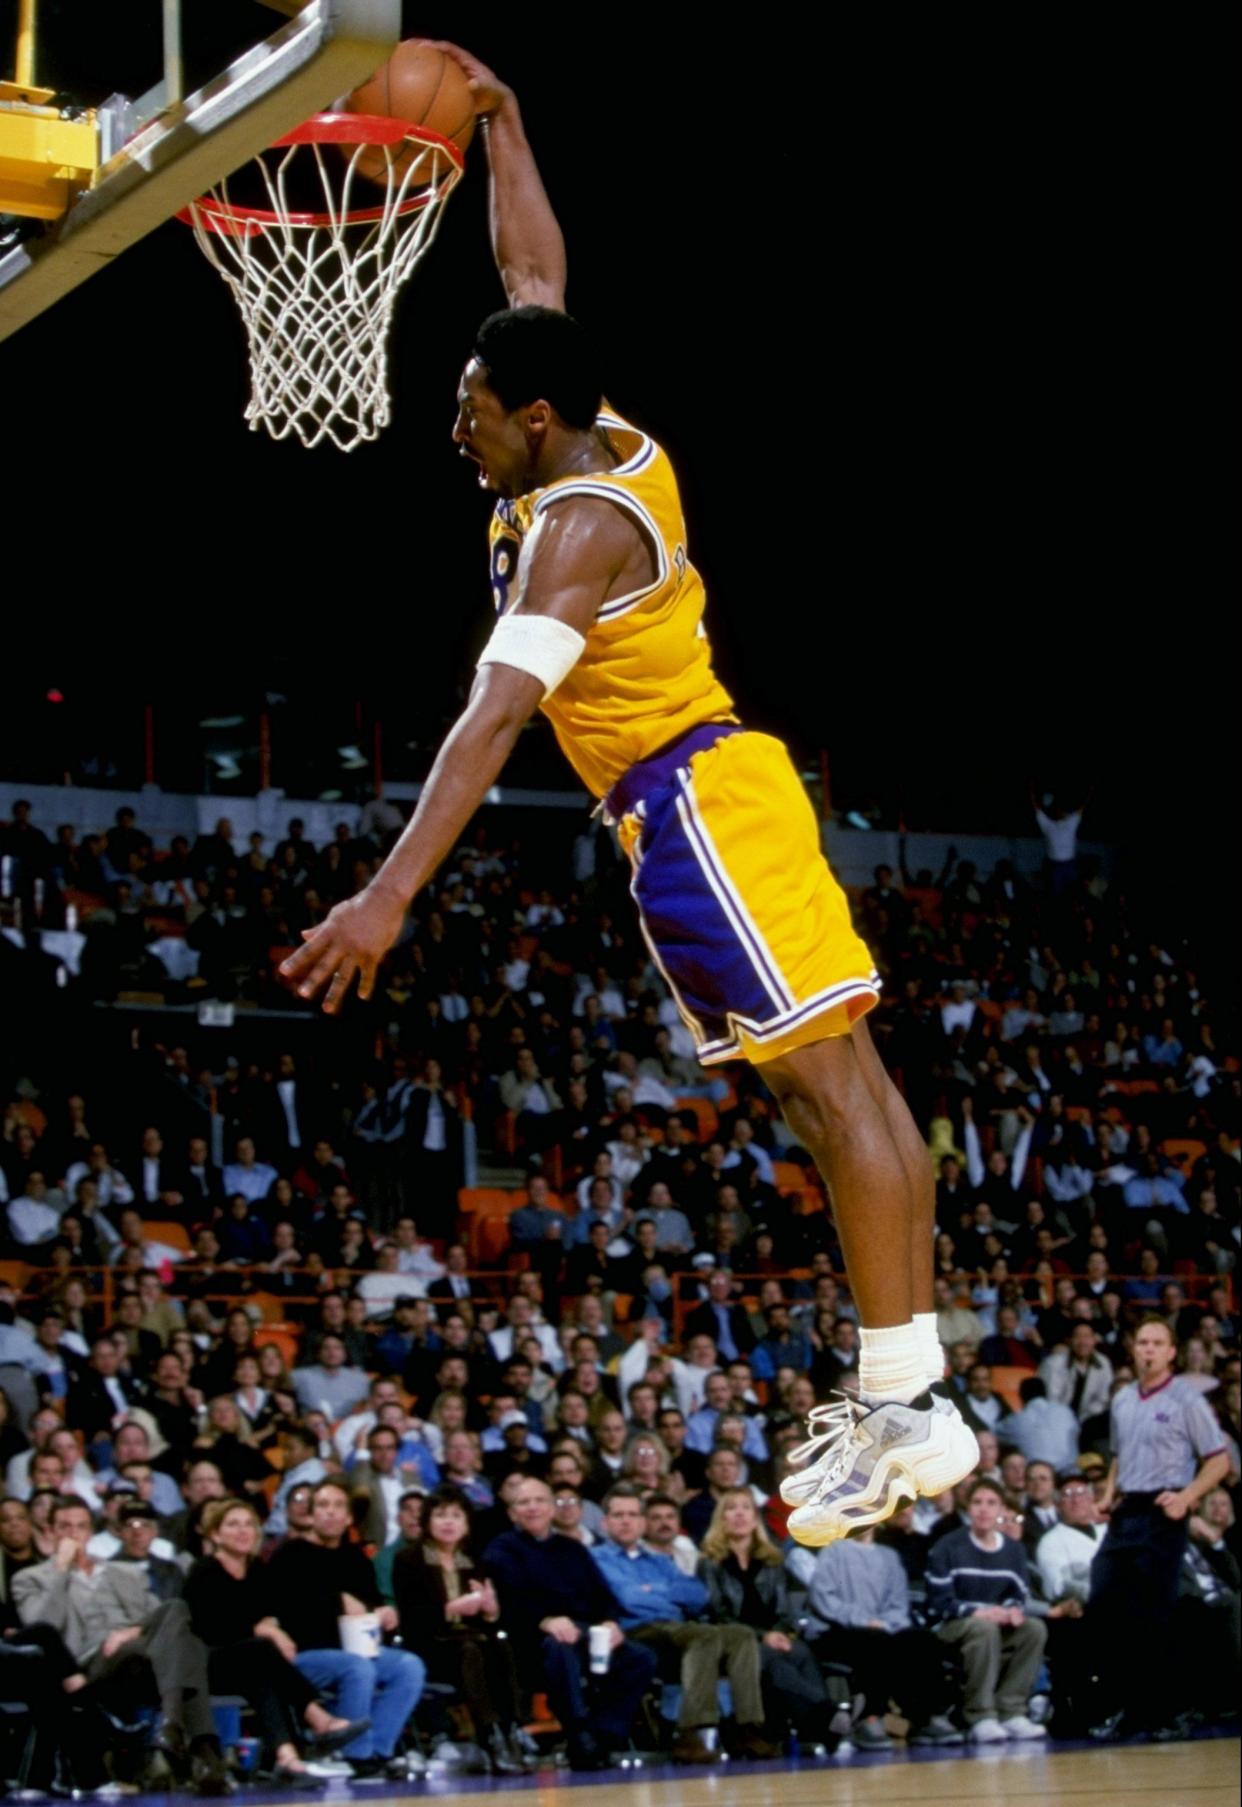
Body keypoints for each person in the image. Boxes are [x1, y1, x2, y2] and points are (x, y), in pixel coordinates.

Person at [278, 37, 977, 1548]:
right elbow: (534, 272)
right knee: (830, 1086)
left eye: (468, 403)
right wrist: (506, 119)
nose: (448, 418)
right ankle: (904, 1390)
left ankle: (906, 1411)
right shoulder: (580, 439)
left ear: (530, 418)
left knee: (827, 1088)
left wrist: (386, 893)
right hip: (704, 799)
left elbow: (489, 714)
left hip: (697, 806)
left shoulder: (570, 535)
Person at [13, 1494, 232, 1794]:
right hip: (91, 1662)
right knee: (184, 1651)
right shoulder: (31, 1578)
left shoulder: (124, 1572)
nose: (73, 1534)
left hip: (139, 1652)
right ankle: (206, 1754)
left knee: (177, 1610)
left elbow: (164, 1619)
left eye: (80, 1527)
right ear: (50, 1532)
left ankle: (172, 1729)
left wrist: (131, 1631)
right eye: (64, 1527)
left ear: (91, 1532)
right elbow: (42, 1628)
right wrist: (60, 1569)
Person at [1088, 1317, 1230, 1742]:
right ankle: (1123, 1703)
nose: (1148, 1349)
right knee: (1105, 1601)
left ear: (1171, 1352)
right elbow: (1118, 1456)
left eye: (1157, 1343)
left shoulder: (1189, 1399)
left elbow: (1219, 1459)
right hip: (1127, 1507)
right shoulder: (1123, 1399)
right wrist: (1108, 1495)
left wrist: (1187, 1497)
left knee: (1155, 1612)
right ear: (1133, 1349)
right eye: (1142, 1342)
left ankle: (1164, 1709)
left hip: (1165, 1507)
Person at [183, 1498, 366, 1784]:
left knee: (263, 1680)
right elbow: (210, 1628)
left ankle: (288, 1759)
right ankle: (318, 1719)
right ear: (215, 1534)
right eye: (233, 1524)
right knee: (262, 1649)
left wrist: (267, 1627)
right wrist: (262, 1628)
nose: (243, 1531)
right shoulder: (204, 1571)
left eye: (248, 1525)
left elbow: (272, 1614)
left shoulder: (256, 1570)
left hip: (249, 1664)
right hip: (206, 1663)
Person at [482, 1477, 657, 1771]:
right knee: (560, 1647)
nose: (533, 1508)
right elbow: (511, 1602)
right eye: (523, 1503)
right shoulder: (501, 1549)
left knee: (640, 1657)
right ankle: (578, 1734)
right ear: (512, 1513)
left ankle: (603, 1733)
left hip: (585, 1632)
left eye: (540, 1500)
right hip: (531, 1638)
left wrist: (610, 1622)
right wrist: (546, 1620)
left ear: (552, 1508)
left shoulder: (572, 1549)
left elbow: (603, 1596)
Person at [592, 1485, 771, 1764]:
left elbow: (698, 1595)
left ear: (641, 1522)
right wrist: (664, 1593)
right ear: (605, 1522)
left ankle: (747, 1727)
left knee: (741, 1635)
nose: (626, 1521)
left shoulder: (659, 1559)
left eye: (632, 1514)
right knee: (703, 1636)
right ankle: (691, 1732)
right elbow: (628, 1600)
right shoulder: (596, 1559)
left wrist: (652, 1590)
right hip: (636, 1631)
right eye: (618, 1515)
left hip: (677, 1627)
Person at [264, 1479, 426, 1777]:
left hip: (356, 1648)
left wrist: (385, 1614)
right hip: (304, 1656)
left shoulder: (356, 1558)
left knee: (409, 1666)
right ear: (310, 1515)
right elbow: (287, 1614)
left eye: (338, 1506)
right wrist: (336, 1604)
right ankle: (354, 1753)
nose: (330, 1513)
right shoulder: (289, 1556)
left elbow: (372, 1607)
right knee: (357, 1668)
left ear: (349, 1517)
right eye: (323, 1506)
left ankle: (379, 1750)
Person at [392, 1485, 526, 1775]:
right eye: (441, 1515)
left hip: (472, 1639)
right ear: (427, 1521)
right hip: (430, 1644)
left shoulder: (476, 1561)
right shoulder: (409, 1560)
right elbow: (411, 1620)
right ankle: (489, 1734)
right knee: (469, 1650)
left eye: (456, 1515)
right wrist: (450, 1609)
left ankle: (511, 1732)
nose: (449, 1522)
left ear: (466, 1524)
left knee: (500, 1646)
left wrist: (491, 1611)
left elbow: (489, 1620)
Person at [806, 1525, 962, 1748]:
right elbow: (823, 1598)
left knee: (920, 1639)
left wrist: (887, 1623)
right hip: (837, 1629)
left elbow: (898, 1603)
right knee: (874, 1641)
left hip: (882, 1628)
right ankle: (870, 1717)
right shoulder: (832, 1551)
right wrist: (863, 1620)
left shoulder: (889, 1557)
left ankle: (924, 1718)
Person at [694, 1488, 828, 1748]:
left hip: (773, 1635)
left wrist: (778, 1633)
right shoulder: (709, 1562)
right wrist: (763, 1636)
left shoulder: (772, 1560)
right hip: (733, 1640)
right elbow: (716, 1614)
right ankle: (826, 1714)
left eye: (746, 1508)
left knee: (800, 1652)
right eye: (731, 1509)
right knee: (773, 1660)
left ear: (756, 1519)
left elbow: (783, 1610)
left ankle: (814, 1731)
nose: (740, 1514)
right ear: (721, 1519)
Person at [927, 1478, 1048, 1743]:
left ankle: (1011, 1710)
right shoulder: (948, 1546)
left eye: (991, 1503)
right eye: (977, 1502)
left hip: (996, 1623)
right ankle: (980, 1715)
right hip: (954, 1625)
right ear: (967, 1508)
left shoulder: (1014, 1550)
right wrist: (980, 1612)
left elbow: (1019, 1593)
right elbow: (939, 1603)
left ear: (1001, 1510)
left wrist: (1010, 1611)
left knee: (1033, 1629)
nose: (984, 1509)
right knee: (984, 1628)